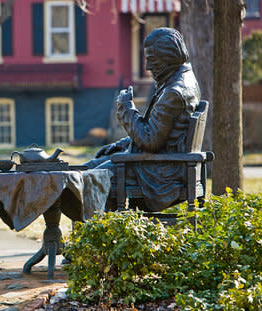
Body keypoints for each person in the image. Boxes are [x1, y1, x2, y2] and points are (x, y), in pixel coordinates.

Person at [85, 27, 201, 212]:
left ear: (167, 57)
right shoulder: (182, 80)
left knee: (91, 178)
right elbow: (159, 132)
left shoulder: (174, 92)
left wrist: (126, 108)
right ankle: (107, 228)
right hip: (161, 163)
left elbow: (150, 140)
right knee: (89, 166)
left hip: (160, 172)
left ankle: (103, 233)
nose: (147, 67)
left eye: (152, 60)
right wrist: (122, 144)